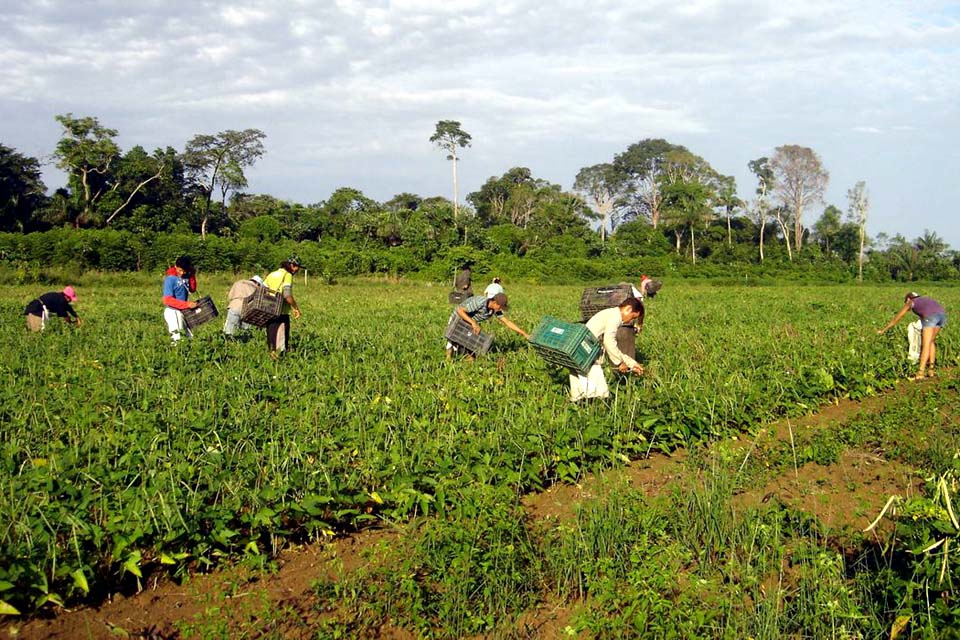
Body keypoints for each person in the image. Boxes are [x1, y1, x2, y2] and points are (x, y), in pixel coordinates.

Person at [571, 298, 645, 401]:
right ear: (628, 309)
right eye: (632, 317)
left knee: (579, 392)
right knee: (600, 393)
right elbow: (609, 341)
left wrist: (632, 363)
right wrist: (619, 363)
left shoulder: (611, 313)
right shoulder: (616, 317)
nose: (629, 321)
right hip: (587, 353)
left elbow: (611, 345)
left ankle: (579, 408)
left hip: (579, 350)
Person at [877, 291, 947, 380]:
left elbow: (897, 318)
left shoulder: (911, 302)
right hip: (942, 315)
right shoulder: (924, 299)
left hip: (931, 317)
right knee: (931, 341)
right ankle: (931, 370)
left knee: (925, 344)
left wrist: (883, 330)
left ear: (908, 299)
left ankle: (920, 372)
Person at [446, 292, 529, 359]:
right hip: (457, 318)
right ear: (495, 303)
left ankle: (467, 358)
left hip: (469, 322)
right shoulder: (479, 302)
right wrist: (473, 323)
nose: (501, 309)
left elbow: (507, 322)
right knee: (452, 339)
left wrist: (524, 333)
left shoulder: (494, 310)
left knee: (469, 342)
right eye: (500, 307)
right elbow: (460, 311)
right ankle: (448, 360)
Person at [614, 275, 662, 361]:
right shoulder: (636, 289)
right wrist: (639, 324)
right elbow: (641, 302)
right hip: (626, 321)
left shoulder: (617, 293)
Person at [263, 257, 303, 358]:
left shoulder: (271, 274)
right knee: (280, 340)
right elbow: (287, 295)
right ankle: (279, 361)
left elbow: (262, 290)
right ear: (293, 266)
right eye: (297, 267)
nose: (297, 270)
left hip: (269, 309)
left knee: (271, 337)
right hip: (281, 312)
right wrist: (295, 308)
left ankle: (271, 357)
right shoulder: (287, 275)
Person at [162, 256, 198, 343]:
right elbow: (167, 300)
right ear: (175, 266)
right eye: (180, 270)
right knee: (177, 339)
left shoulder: (186, 276)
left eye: (184, 271)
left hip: (183, 311)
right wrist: (187, 304)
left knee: (189, 338)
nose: (181, 273)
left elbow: (192, 289)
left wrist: (192, 275)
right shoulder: (170, 279)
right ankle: (175, 355)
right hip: (173, 311)